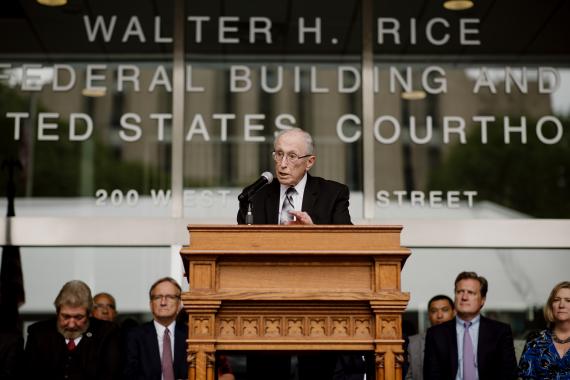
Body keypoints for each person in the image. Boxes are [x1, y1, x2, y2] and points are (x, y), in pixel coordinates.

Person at [237, 127, 351, 225]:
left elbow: (347, 241)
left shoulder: (333, 194)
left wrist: (315, 232)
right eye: (279, 154)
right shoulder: (255, 195)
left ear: (309, 162)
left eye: (292, 156)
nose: (282, 164)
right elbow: (242, 241)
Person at [423, 271, 518, 380]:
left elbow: (508, 375)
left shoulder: (500, 332)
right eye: (460, 292)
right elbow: (432, 376)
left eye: (471, 292)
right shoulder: (436, 334)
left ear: (482, 300)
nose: (464, 297)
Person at [23, 280, 122, 380]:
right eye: (65, 316)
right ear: (57, 312)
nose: (71, 324)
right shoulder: (38, 333)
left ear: (89, 314)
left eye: (79, 317)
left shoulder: (107, 333)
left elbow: (110, 376)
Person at [124, 277, 188, 380]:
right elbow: (129, 375)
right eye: (158, 297)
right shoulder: (134, 336)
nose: (163, 302)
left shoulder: (190, 336)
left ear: (179, 304)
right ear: (150, 305)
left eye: (170, 297)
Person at [518, 281, 570, 379]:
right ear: (551, 306)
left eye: (568, 300)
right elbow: (526, 376)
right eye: (556, 300)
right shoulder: (536, 339)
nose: (561, 305)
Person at [406, 294, 455, 380]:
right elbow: (409, 376)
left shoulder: (464, 338)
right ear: (429, 315)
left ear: (454, 312)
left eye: (445, 310)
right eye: (434, 311)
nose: (439, 315)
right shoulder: (414, 342)